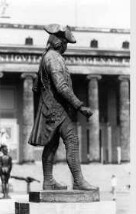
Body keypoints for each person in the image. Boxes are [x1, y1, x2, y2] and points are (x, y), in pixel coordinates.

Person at [28, 24, 98, 191]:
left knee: (51, 145)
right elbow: (61, 86)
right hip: (57, 109)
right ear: (60, 43)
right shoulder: (54, 58)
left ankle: (48, 181)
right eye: (66, 42)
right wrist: (80, 107)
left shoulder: (46, 56)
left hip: (49, 107)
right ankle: (79, 181)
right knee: (72, 140)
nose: (66, 46)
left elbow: (36, 88)